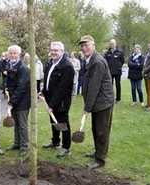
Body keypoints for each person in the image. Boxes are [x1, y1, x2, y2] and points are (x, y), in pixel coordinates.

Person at [79, 35, 114, 170]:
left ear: (93, 45)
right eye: (82, 46)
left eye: (86, 45)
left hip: (103, 102)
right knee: (96, 129)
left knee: (102, 131)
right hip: (98, 102)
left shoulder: (97, 62)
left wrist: (87, 108)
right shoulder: (90, 59)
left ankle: (100, 160)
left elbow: (94, 87)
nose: (84, 48)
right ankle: (98, 152)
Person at [41, 41, 75, 158]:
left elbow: (62, 88)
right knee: (53, 121)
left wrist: (53, 104)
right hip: (50, 98)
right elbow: (47, 80)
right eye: (52, 50)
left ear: (62, 51)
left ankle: (66, 147)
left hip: (61, 101)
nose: (54, 52)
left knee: (62, 122)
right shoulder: (50, 63)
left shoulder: (67, 66)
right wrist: (43, 92)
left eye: (56, 50)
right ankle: (55, 142)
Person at [5, 45, 31, 155]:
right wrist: (6, 88)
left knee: (22, 124)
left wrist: (12, 102)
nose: (13, 55)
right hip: (14, 99)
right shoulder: (10, 66)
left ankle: (25, 146)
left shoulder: (23, 68)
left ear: (19, 55)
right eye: (11, 53)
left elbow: (21, 87)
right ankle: (17, 143)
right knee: (16, 123)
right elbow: (10, 82)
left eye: (15, 53)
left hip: (23, 101)